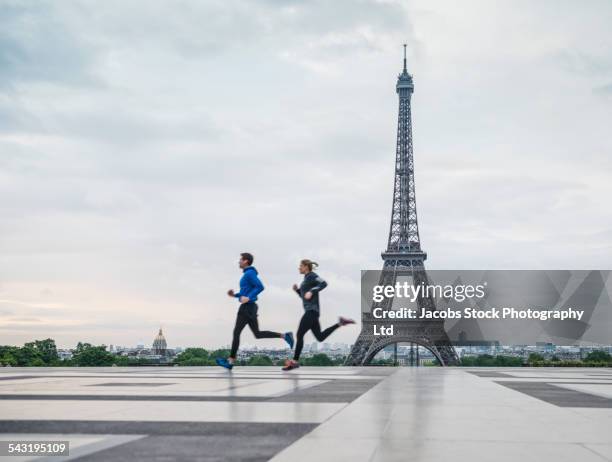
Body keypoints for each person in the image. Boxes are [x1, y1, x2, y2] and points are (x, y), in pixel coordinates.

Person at [216, 252, 294, 370]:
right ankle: (284, 335)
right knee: (257, 334)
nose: (239, 262)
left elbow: (260, 286)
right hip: (251, 307)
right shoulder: (248, 274)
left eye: (240, 260)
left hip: (247, 307)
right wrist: (235, 295)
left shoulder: (249, 273)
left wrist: (249, 297)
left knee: (236, 332)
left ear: (246, 261)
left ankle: (230, 361)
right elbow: (245, 292)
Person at [282, 259, 355, 371]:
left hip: (312, 311)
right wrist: (297, 291)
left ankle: (295, 361)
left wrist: (312, 291)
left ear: (306, 266)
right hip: (312, 312)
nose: (299, 268)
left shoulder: (312, 276)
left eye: (301, 266)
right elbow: (305, 297)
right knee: (320, 337)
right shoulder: (306, 279)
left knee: (299, 334)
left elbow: (324, 283)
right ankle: (340, 323)